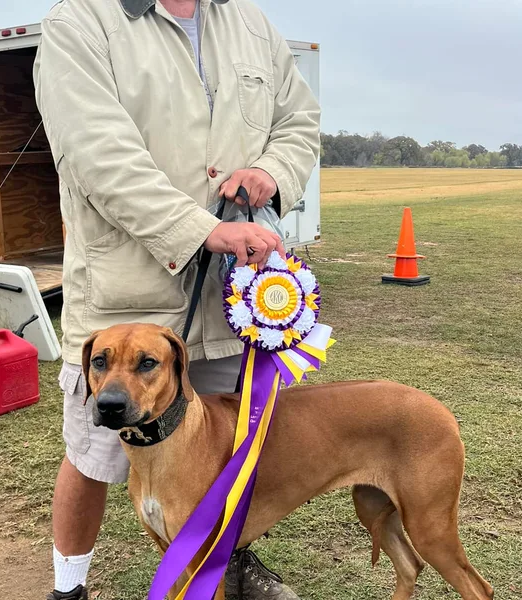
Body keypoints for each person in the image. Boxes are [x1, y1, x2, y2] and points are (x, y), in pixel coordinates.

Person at [32, 0, 320, 598]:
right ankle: (69, 586)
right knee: (95, 459)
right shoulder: (80, 22)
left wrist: (273, 171)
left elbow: (299, 120)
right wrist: (199, 230)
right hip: (128, 295)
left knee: (225, 453)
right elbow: (98, 154)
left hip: (228, 298)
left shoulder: (248, 23)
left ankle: (229, 566)